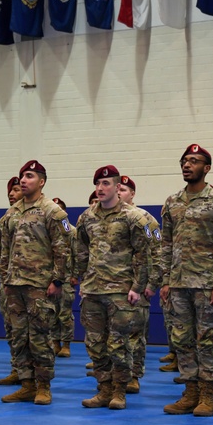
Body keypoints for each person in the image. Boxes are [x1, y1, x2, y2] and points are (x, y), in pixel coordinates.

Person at [159, 144, 213, 417]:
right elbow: (165, 244)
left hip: (207, 284)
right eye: (185, 161)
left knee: (209, 340)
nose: (187, 165)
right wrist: (165, 280)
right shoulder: (172, 202)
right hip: (178, 284)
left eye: (194, 161)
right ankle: (190, 392)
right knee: (182, 340)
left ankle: (207, 394)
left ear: (207, 168)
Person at [75, 166, 151, 410]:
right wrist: (82, 281)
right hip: (93, 291)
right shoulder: (87, 217)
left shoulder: (134, 217)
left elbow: (145, 253)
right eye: (97, 183)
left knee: (118, 345)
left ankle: (119, 391)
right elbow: (81, 252)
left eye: (106, 183)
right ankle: (104, 389)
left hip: (121, 291)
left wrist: (138, 287)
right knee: (95, 344)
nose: (100, 188)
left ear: (118, 188)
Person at [0, 160, 72, 405]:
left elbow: (62, 248)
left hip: (39, 285)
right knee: (19, 337)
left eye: (29, 176)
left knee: (40, 337)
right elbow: (4, 249)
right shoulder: (12, 211)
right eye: (22, 176)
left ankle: (43, 386)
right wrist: (4, 279)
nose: (23, 180)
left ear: (41, 181)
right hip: (14, 285)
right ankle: (26, 384)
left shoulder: (52, 211)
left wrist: (57, 280)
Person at [116, 175, 162, 394]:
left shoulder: (145, 218)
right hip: (113, 285)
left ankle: (134, 375)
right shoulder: (105, 218)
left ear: (132, 194)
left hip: (138, 284)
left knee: (135, 334)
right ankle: (116, 373)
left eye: (123, 189)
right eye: (117, 189)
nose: (119, 193)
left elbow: (157, 252)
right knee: (114, 334)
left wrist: (152, 283)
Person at [0, 177, 25, 386]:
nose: (12, 194)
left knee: (34, 334)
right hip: (9, 283)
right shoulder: (6, 219)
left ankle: (36, 380)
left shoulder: (44, 213)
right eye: (10, 191)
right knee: (13, 330)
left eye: (16, 190)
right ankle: (18, 368)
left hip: (32, 284)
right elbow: (2, 252)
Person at [50, 197, 78, 359]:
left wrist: (75, 275)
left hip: (67, 278)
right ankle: (55, 342)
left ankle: (66, 343)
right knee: (51, 312)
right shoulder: (45, 229)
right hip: (49, 278)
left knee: (65, 312)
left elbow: (76, 254)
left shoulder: (71, 232)